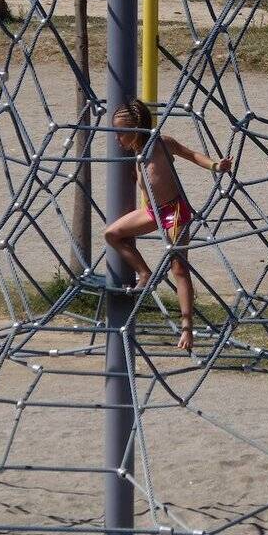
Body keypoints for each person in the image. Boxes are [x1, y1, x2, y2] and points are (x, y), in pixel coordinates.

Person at [103, 99, 232, 351]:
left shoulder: (162, 143)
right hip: (153, 212)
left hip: (175, 213)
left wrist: (216, 165)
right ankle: (144, 272)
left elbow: (191, 155)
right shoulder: (135, 155)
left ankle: (187, 328)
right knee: (112, 234)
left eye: (121, 132)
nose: (116, 138)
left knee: (179, 269)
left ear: (137, 128)